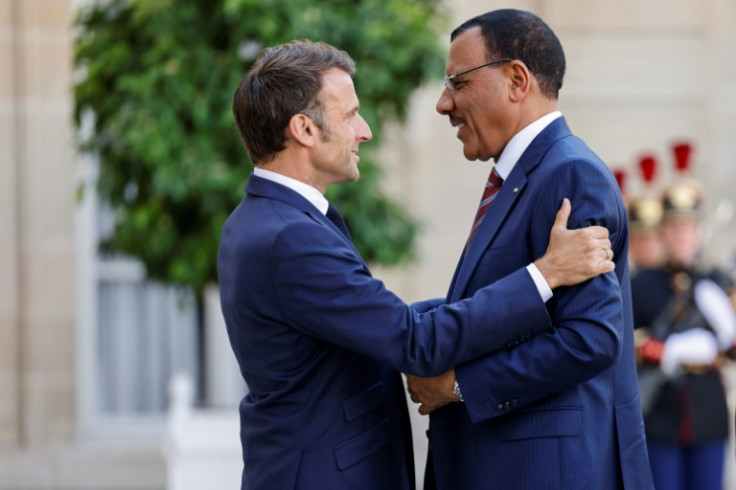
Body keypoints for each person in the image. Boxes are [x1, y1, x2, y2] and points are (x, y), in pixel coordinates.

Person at [218, 40, 615, 490]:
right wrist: (546, 276)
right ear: (305, 129)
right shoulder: (291, 236)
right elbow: (416, 342)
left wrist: (522, 294)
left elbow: (374, 323)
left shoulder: (266, 218)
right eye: (350, 115)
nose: (364, 131)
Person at [404, 9, 653, 489]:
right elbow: (505, 310)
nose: (443, 103)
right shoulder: (524, 177)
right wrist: (400, 326)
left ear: (516, 79)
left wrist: (457, 386)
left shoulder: (570, 174)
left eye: (457, 82)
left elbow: (591, 339)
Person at [632, 179, 736, 490]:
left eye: (688, 227)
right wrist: (669, 350)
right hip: (661, 413)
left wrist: (727, 331)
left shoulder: (715, 283)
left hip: (708, 413)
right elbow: (627, 343)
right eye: (674, 228)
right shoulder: (642, 284)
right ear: (662, 232)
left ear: (698, 232)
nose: (681, 236)